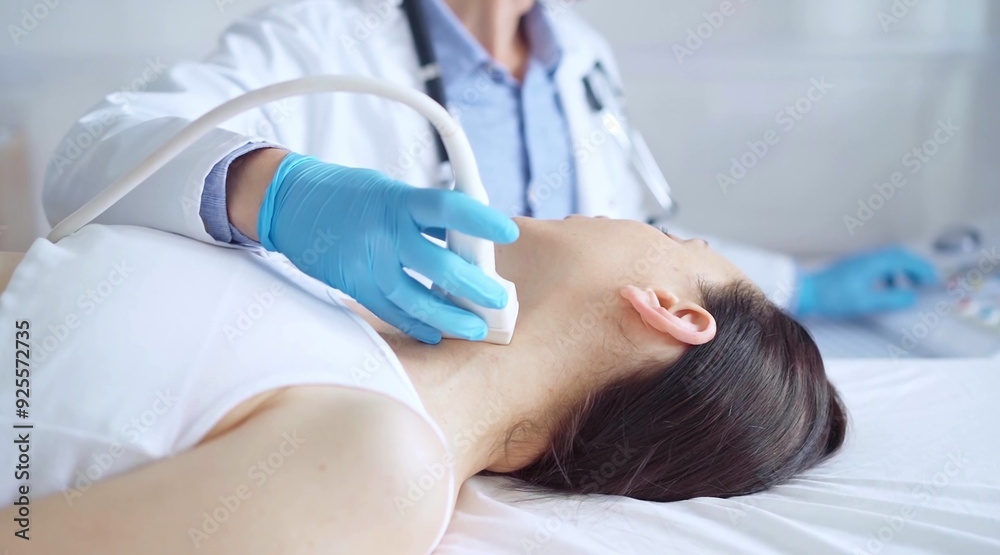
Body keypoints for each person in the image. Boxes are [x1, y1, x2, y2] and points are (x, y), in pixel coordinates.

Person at [42, 0, 938, 346]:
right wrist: (272, 190)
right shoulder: (322, 35)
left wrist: (800, 287)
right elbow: (90, 159)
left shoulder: (577, 56)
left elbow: (639, 234)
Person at [0, 216, 846, 553]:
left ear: (672, 311)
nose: (625, 214)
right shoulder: (339, 310)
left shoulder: (386, 466)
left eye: (668, 232)